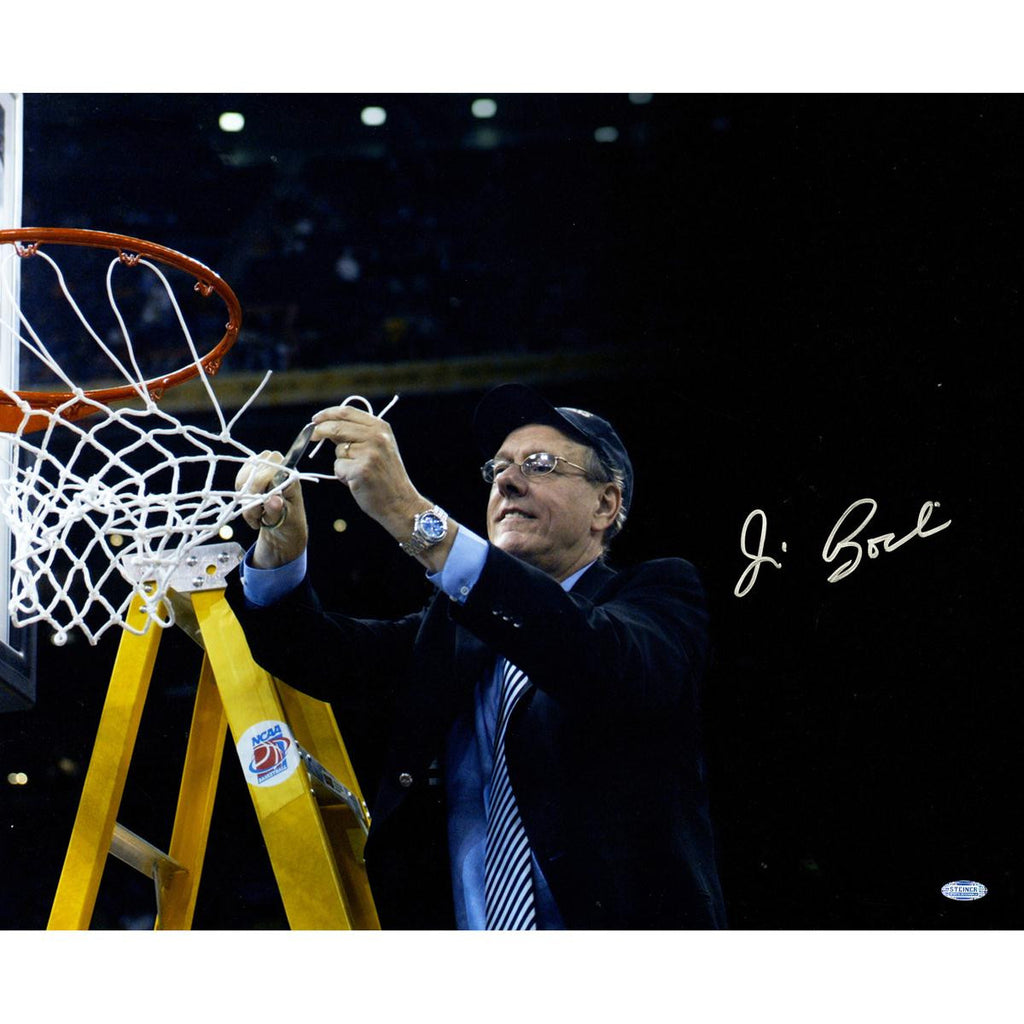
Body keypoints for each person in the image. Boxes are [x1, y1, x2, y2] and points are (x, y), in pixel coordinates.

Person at [228, 382, 726, 929]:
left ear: (605, 504)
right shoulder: (456, 626)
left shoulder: (659, 595)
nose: (507, 480)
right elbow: (322, 655)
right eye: (498, 469)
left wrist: (408, 514)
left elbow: (593, 660)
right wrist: (281, 552)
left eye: (539, 465)